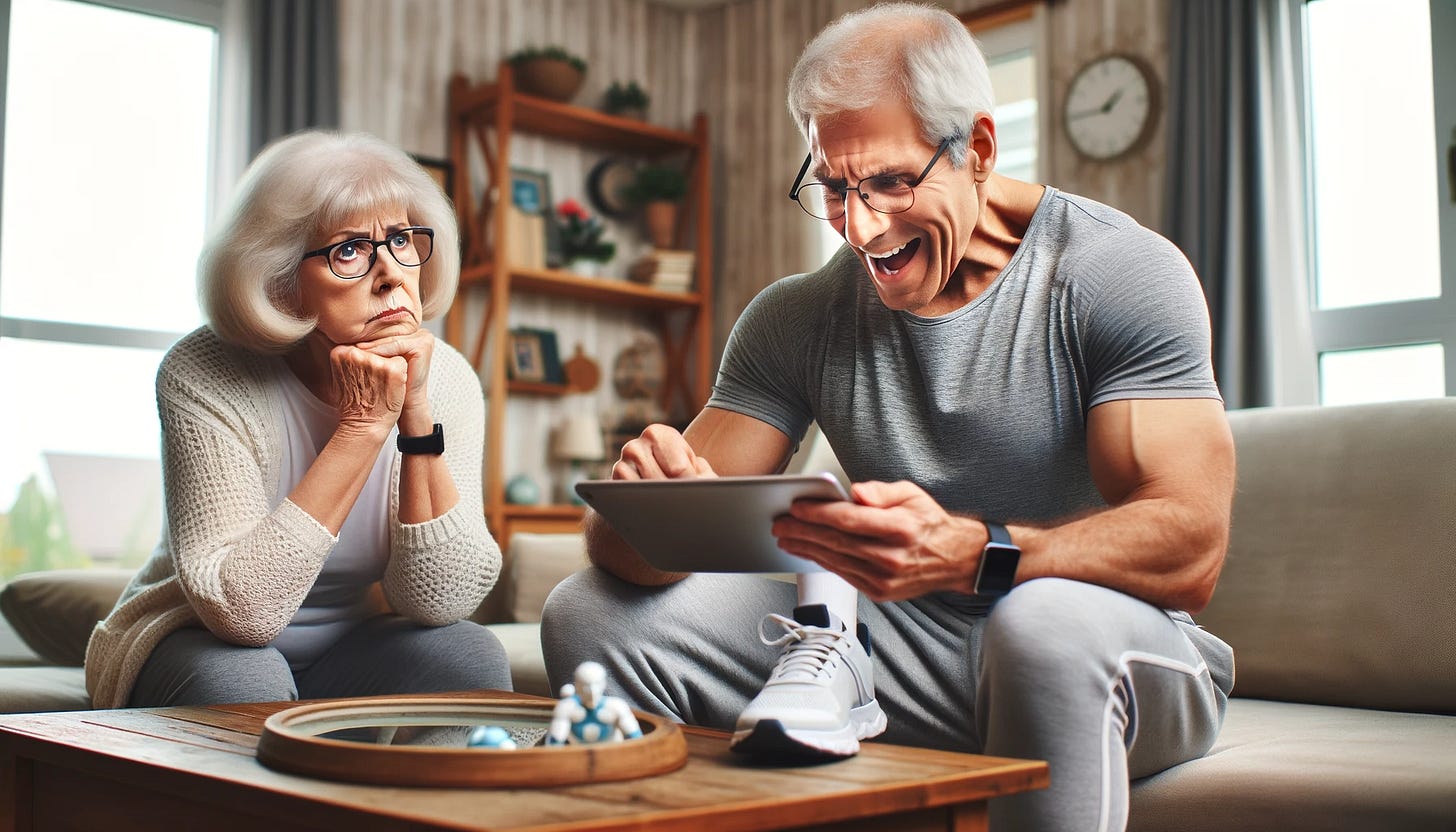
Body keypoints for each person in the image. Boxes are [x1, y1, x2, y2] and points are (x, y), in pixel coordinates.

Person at [541, 4, 1235, 830]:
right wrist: (645, 505)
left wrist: (980, 554)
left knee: (1037, 624)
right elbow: (639, 559)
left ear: (978, 149)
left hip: (1111, 644)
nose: (861, 226)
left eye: (892, 182)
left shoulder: (1116, 273)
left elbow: (1191, 544)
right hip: (897, 651)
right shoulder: (795, 317)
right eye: (833, 187)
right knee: (587, 612)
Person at [84, 130, 511, 710]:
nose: (390, 273)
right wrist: (361, 429)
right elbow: (242, 614)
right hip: (195, 641)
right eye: (350, 250)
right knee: (246, 678)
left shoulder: (450, 377)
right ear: (282, 279)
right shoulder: (203, 373)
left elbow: (441, 599)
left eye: (402, 239)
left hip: (352, 652)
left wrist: (414, 414)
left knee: (469, 654)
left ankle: (411, 805)